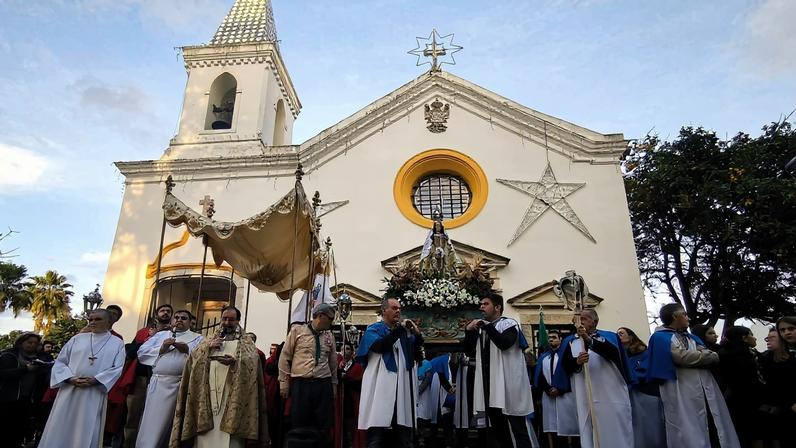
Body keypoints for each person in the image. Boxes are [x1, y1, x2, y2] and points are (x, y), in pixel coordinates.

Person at [170, 305, 269, 447]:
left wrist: (236, 362)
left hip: (232, 395)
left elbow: (253, 361)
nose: (227, 322)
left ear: (238, 321)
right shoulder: (209, 340)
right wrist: (208, 348)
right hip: (208, 395)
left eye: (232, 319)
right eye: (225, 319)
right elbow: (193, 360)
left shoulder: (246, 343)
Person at [644, 303, 740, 448]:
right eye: (684, 314)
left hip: (704, 387)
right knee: (687, 426)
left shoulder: (691, 337)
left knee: (714, 423)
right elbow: (681, 357)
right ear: (675, 316)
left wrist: (703, 356)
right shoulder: (660, 337)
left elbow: (710, 354)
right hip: (681, 387)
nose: (687, 317)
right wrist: (704, 356)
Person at [38, 309, 126, 448]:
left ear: (109, 322)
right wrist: (69, 379)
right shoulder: (77, 339)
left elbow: (118, 367)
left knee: (87, 426)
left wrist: (97, 380)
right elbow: (60, 362)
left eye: (98, 319)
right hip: (69, 390)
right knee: (60, 424)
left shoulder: (117, 343)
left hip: (93, 392)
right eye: (90, 319)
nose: (92, 322)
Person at [464, 292, 537, 448]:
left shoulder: (509, 324)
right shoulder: (483, 329)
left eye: (485, 304)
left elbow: (504, 343)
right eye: (481, 304)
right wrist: (469, 331)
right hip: (491, 389)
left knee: (517, 431)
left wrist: (488, 326)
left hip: (509, 387)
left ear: (497, 307)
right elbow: (469, 352)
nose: (481, 307)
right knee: (499, 432)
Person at [552, 309, 633, 448]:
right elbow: (565, 365)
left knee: (614, 427)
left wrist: (588, 339)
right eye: (578, 318)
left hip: (610, 392)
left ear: (594, 321)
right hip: (584, 393)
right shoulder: (569, 341)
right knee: (588, 428)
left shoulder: (609, 336)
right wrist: (576, 362)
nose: (580, 321)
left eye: (584, 318)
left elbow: (613, 353)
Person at [356, 297, 424, 448]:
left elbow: (417, 356)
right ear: (384, 311)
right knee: (376, 436)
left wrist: (417, 335)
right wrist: (400, 330)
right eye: (394, 308)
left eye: (399, 308)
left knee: (403, 437)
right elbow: (380, 346)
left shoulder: (404, 334)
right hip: (380, 388)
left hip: (402, 389)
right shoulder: (374, 329)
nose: (398, 311)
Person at [135, 309, 203, 448]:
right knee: (152, 421)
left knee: (173, 423)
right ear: (172, 321)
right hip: (158, 383)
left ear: (190, 322)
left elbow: (203, 359)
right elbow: (141, 353)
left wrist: (187, 351)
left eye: (183, 318)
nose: (179, 320)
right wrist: (162, 347)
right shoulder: (160, 336)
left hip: (181, 385)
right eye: (176, 317)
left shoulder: (198, 338)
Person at [278, 303, 338, 445]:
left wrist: (333, 384)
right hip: (301, 382)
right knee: (300, 420)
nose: (331, 323)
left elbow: (333, 362)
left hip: (322, 382)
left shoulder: (329, 336)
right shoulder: (297, 331)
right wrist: (284, 382)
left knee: (322, 421)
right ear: (320, 316)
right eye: (329, 319)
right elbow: (285, 357)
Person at [118, 304, 173, 447]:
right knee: (133, 417)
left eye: (168, 311)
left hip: (164, 381)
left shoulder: (175, 333)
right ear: (156, 315)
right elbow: (131, 352)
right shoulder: (144, 332)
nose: (165, 313)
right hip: (141, 380)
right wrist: (150, 338)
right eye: (162, 311)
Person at [0, 332, 51, 447]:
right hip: (8, 398)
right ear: (21, 342)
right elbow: (3, 374)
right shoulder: (9, 355)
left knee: (20, 429)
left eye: (35, 343)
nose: (32, 345)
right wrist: (25, 369)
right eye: (29, 342)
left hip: (29, 399)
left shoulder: (41, 357)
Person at [618, 326, 666, 448]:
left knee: (651, 425)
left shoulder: (644, 352)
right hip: (629, 394)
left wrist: (629, 379)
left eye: (621, 333)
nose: (618, 335)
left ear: (631, 336)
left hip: (646, 392)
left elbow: (644, 371)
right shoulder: (620, 356)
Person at [533, 330, 578, 447]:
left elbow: (570, 373)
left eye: (554, 337)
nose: (551, 339)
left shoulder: (567, 354)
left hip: (566, 395)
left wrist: (560, 389)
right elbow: (540, 376)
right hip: (549, 397)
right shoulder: (544, 357)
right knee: (553, 428)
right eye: (549, 337)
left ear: (560, 339)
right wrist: (548, 389)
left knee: (570, 426)